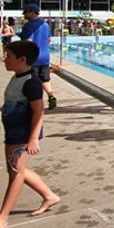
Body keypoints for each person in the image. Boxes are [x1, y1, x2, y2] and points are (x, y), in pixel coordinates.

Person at [0, 41, 60, 224]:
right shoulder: (18, 77)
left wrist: (33, 138)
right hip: (13, 132)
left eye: (8, 56)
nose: (4, 60)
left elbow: (38, 111)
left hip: (23, 135)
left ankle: (3, 217)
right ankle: (49, 196)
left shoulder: (31, 83)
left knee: (16, 173)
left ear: (22, 59)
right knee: (16, 170)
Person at [19, 5, 56, 110]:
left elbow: (28, 42)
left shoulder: (28, 26)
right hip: (45, 56)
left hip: (33, 57)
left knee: (32, 81)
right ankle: (51, 95)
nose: (24, 14)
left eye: (25, 12)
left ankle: (35, 103)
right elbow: (49, 39)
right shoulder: (45, 25)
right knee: (45, 79)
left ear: (32, 12)